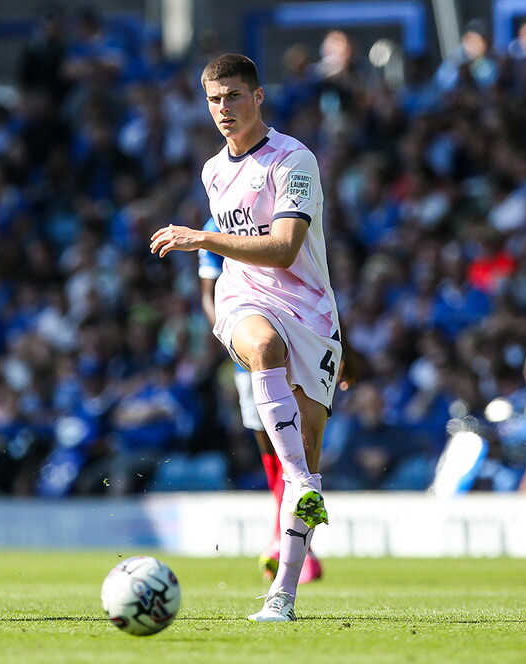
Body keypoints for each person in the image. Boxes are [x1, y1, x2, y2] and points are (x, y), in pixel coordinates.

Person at [150, 53, 341, 622]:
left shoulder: (293, 160)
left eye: (234, 96)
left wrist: (202, 239)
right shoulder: (213, 169)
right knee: (260, 346)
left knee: (304, 447)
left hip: (310, 311)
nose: (224, 109)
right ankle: (303, 481)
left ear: (258, 97)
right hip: (245, 301)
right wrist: (207, 250)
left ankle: (282, 593)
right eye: (214, 100)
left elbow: (284, 249)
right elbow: (242, 259)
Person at [197, 217, 322, 584]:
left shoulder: (284, 219)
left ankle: (293, 544)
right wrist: (235, 338)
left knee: (299, 446)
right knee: (271, 445)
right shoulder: (216, 223)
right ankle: (283, 536)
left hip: (300, 341)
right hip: (252, 349)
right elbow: (209, 295)